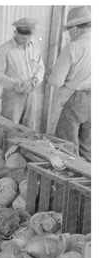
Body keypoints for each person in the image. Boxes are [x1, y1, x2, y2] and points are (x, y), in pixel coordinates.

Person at [47, 6, 91, 161]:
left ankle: (66, 184)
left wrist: (49, 74)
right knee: (88, 147)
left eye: (69, 30)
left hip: (74, 100)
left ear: (75, 28)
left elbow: (57, 80)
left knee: (66, 148)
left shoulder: (73, 47)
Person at [0, 17, 45, 127]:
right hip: (13, 96)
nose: (26, 41)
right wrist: (15, 84)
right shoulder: (5, 49)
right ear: (15, 32)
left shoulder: (34, 45)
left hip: (31, 94)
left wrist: (36, 79)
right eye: (22, 38)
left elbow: (40, 67)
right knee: (9, 128)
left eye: (28, 38)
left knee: (28, 128)